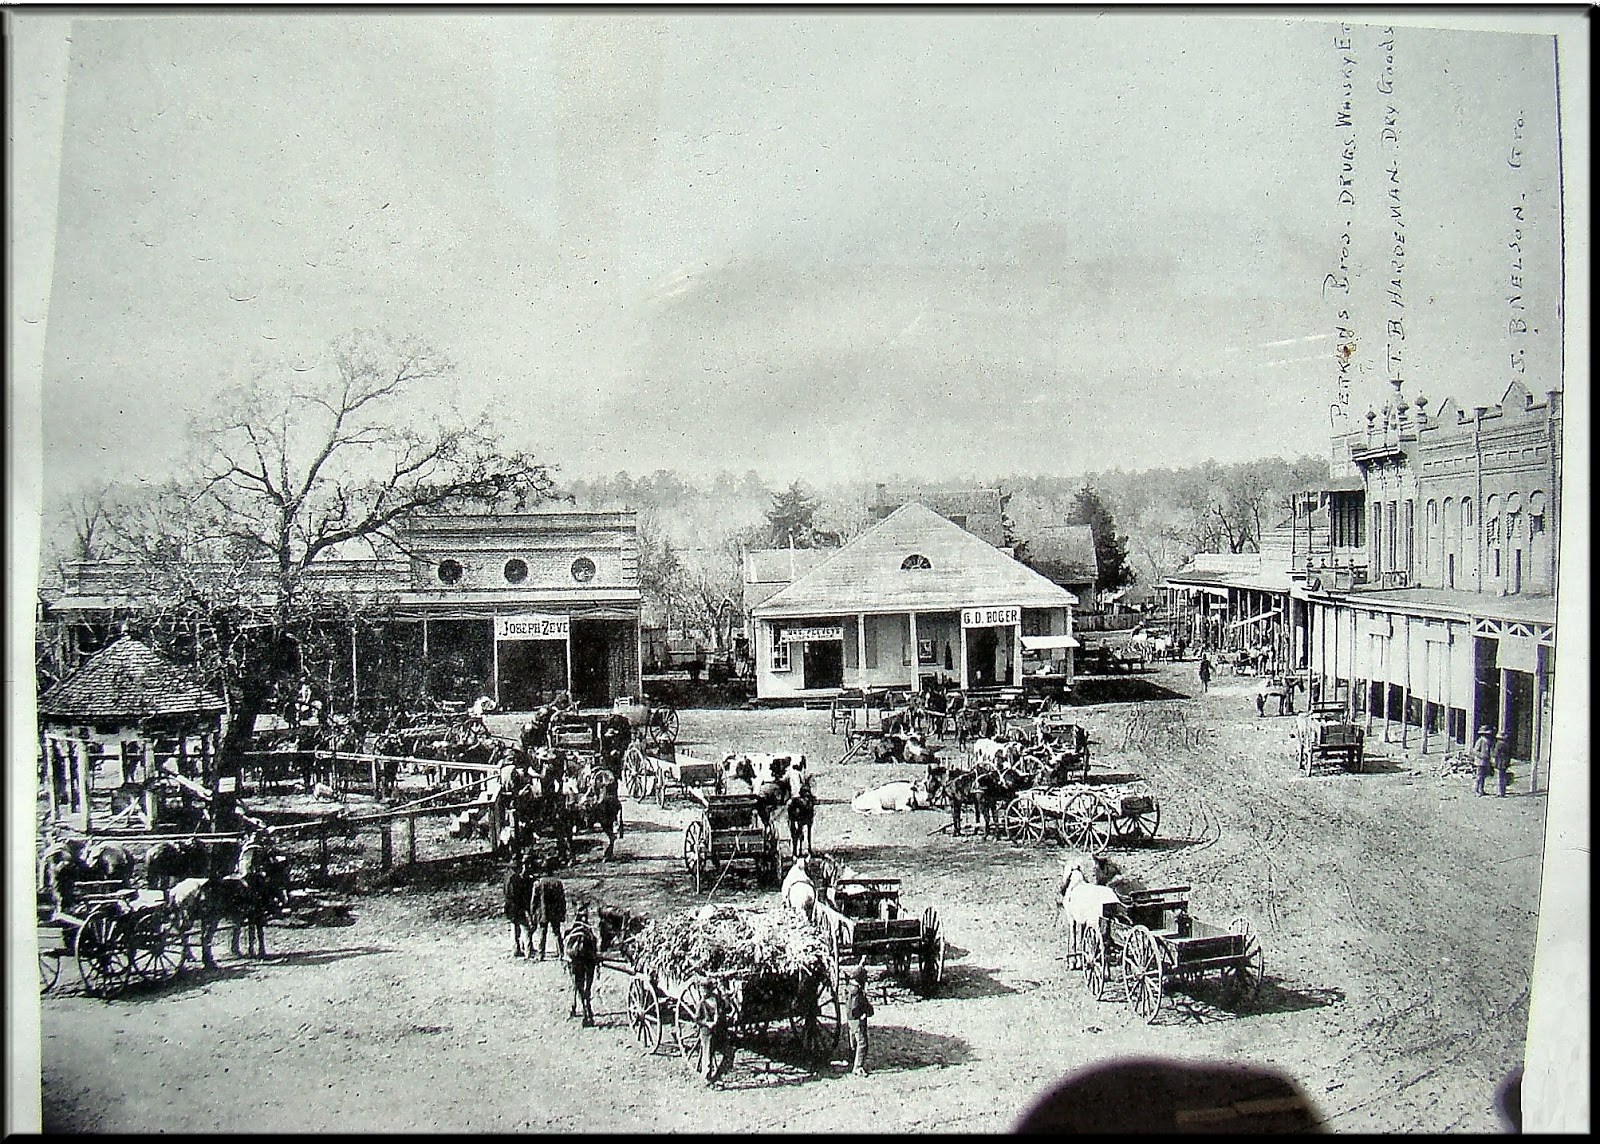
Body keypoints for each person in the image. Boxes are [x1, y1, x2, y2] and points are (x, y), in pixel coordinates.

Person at [845, 959, 874, 1077]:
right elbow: (856, 1006)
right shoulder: (857, 992)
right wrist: (863, 1014)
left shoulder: (849, 988)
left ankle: (853, 1060)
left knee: (854, 1042)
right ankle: (858, 1067)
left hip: (850, 1020)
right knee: (862, 1043)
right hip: (857, 1020)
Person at [1472, 725, 1496, 796]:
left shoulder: (1488, 741)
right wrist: (1481, 755)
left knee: (1483, 777)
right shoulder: (1480, 740)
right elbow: (1474, 751)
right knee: (1479, 776)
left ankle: (1481, 790)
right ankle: (1476, 790)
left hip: (1486, 761)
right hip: (1480, 761)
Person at [1493, 731, 1514, 798]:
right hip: (1505, 762)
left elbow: (1495, 754)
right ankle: (1502, 791)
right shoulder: (1506, 744)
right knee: (1503, 777)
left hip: (1499, 762)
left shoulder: (1498, 744)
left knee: (1500, 778)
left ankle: (1500, 792)